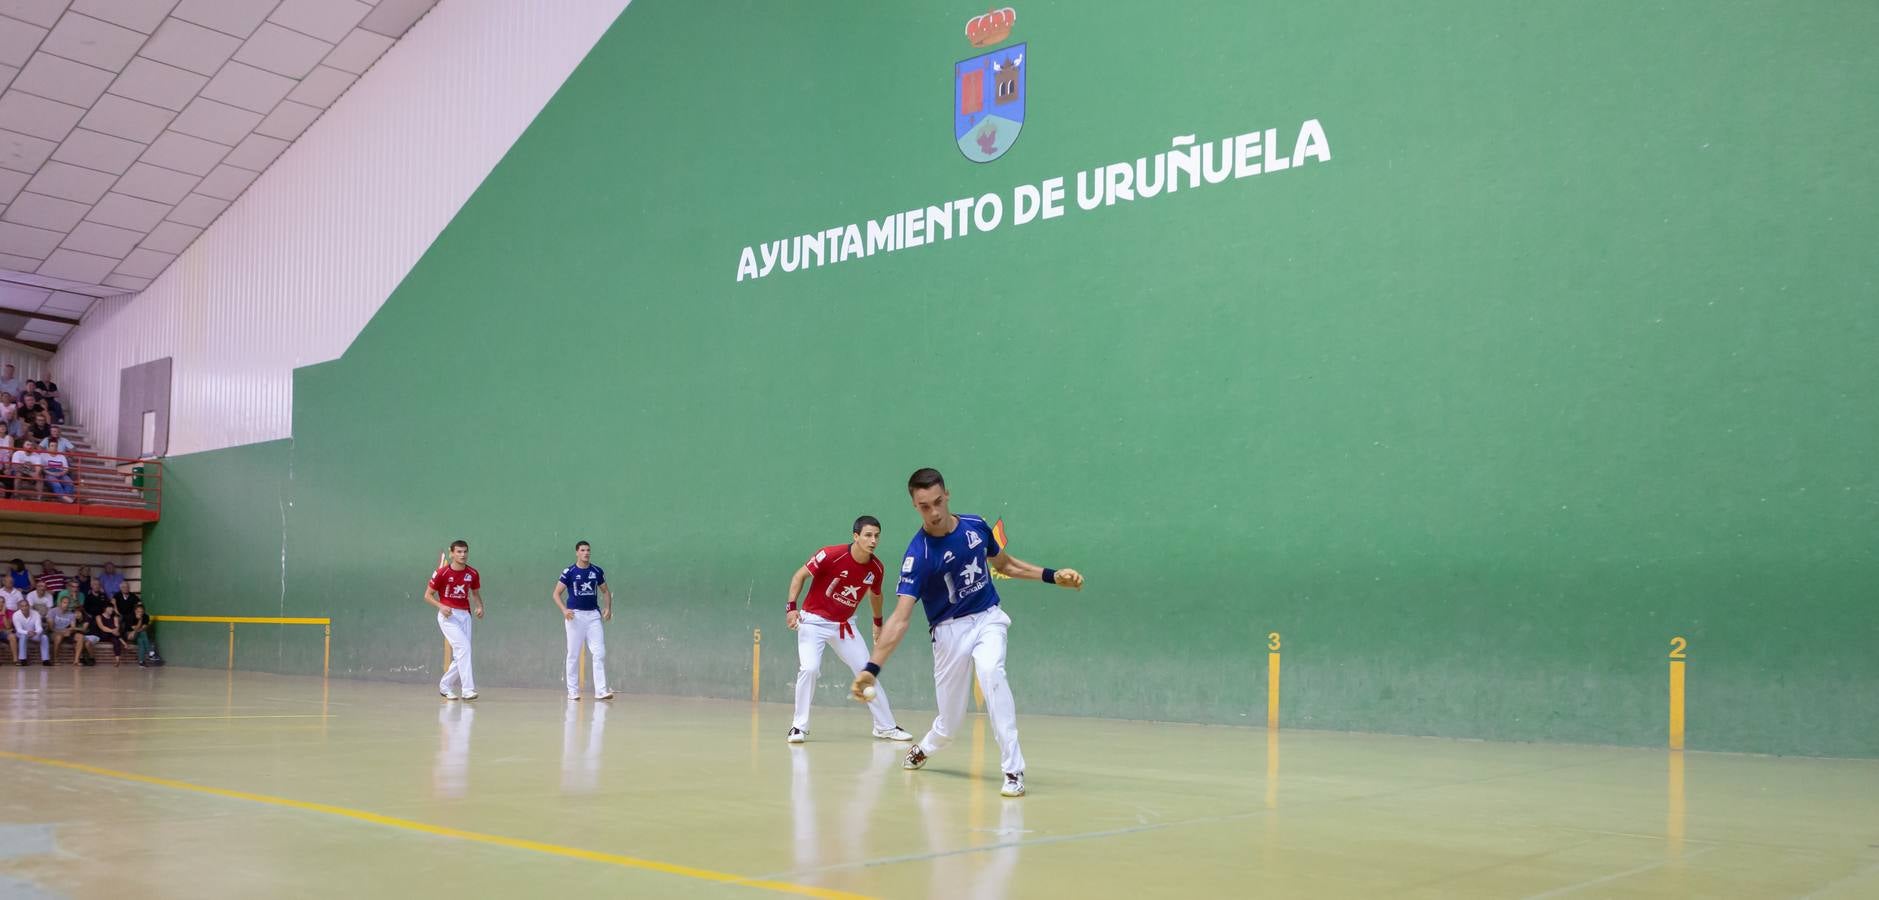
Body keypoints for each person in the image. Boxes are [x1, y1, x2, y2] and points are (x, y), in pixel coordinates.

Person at [851, 468, 1084, 798]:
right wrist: (870, 670)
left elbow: (1004, 565)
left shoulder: (975, 526)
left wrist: (1051, 575)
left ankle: (1013, 770)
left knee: (992, 672)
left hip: (988, 618)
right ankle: (927, 746)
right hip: (948, 633)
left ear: (947, 495)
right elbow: (901, 618)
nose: (933, 512)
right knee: (949, 724)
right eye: (924, 506)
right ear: (915, 507)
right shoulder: (918, 555)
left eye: (937, 502)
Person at [783, 516, 910, 744]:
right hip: (812, 622)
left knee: (867, 671)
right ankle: (798, 727)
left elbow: (876, 595)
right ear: (856, 536)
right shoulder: (831, 555)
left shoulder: (876, 568)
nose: (873, 541)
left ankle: (885, 727)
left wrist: (878, 623)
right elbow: (799, 575)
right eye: (868, 535)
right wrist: (791, 608)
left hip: (844, 626)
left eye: (877, 536)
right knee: (810, 669)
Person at [552, 540, 614, 702]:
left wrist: (608, 608)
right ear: (577, 553)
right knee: (573, 654)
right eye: (582, 550)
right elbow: (556, 594)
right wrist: (564, 610)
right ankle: (572, 691)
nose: (586, 553)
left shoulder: (596, 571)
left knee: (599, 652)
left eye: (588, 550)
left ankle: (600, 691)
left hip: (593, 616)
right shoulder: (569, 572)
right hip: (575, 616)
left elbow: (606, 591)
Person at [425, 540, 483, 700]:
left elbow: (476, 594)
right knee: (464, 649)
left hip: (465, 616)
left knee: (462, 654)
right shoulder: (441, 573)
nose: (462, 555)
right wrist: (440, 606)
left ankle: (445, 686)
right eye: (458, 552)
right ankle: (468, 690)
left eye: (465, 552)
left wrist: (479, 607)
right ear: (451, 553)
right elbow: (427, 595)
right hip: (447, 616)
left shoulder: (472, 573)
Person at [48, 595, 89, 665]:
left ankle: (76, 660)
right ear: (60, 603)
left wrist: (70, 631)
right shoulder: (52, 611)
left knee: (80, 637)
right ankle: (55, 660)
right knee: (59, 637)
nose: (66, 605)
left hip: (67, 633)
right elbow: (51, 628)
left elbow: (73, 627)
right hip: (55, 632)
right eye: (64, 602)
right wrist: (62, 632)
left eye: (68, 603)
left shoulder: (71, 614)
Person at [11, 600, 49, 666]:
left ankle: (45, 660)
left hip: (33, 633)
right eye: (22, 606)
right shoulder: (16, 615)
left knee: (44, 637)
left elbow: (39, 627)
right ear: (19, 607)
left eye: (26, 606)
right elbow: (18, 629)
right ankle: (23, 660)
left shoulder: (36, 613)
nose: (24, 608)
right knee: (23, 636)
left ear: (29, 606)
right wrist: (27, 632)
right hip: (21, 633)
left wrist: (35, 632)